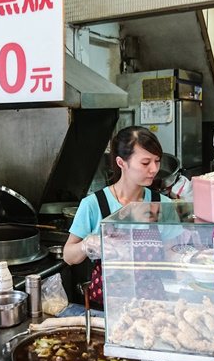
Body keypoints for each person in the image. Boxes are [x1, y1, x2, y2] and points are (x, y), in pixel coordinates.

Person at [63, 126, 170, 305]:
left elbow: (171, 256)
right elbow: (68, 256)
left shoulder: (162, 205)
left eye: (157, 161)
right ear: (121, 163)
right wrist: (87, 245)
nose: (154, 169)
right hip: (106, 306)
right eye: (145, 163)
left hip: (153, 305)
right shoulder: (94, 205)